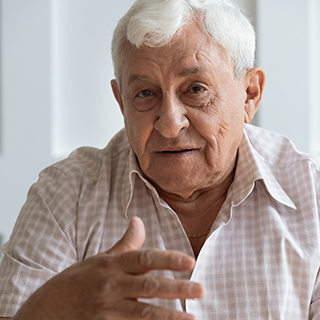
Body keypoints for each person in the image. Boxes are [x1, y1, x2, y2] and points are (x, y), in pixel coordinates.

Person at [1, 0, 320, 319]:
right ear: (121, 102)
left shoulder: (313, 195)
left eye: (196, 89)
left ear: (250, 94)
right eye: (144, 93)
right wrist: (50, 308)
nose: (169, 124)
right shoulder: (64, 196)